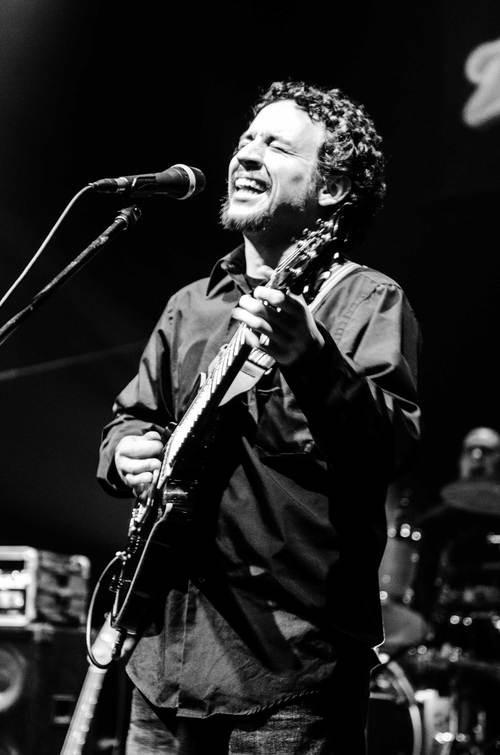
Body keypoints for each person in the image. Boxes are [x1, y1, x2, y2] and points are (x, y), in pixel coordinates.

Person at [97, 80, 421, 754]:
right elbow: (131, 417)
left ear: (331, 188)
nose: (246, 155)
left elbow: (390, 445)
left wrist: (313, 359)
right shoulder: (192, 305)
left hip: (290, 668)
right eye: (247, 139)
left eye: (277, 146)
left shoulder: (366, 300)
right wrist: (126, 452)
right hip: (161, 657)